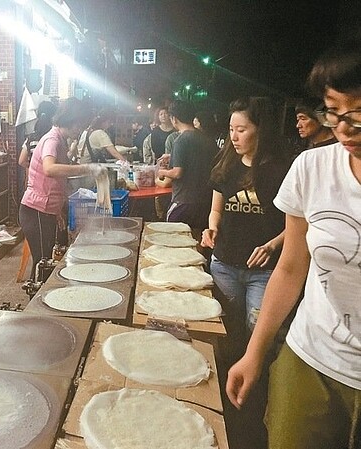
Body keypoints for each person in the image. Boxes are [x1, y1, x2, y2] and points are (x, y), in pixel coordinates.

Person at [226, 38, 361, 449]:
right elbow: (290, 266)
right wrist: (254, 352)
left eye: (356, 113)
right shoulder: (313, 167)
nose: (343, 128)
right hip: (311, 358)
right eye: (333, 112)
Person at [201, 97, 290, 354]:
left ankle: (257, 382)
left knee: (258, 328)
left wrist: (272, 245)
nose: (234, 137)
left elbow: (296, 226)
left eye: (241, 130)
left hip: (263, 271)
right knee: (227, 326)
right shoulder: (226, 165)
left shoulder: (282, 171)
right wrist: (212, 228)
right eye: (231, 130)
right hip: (224, 264)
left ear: (260, 130)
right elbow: (216, 208)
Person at [20, 98, 103, 280]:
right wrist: (88, 168)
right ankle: (36, 302)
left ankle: (40, 297)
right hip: (36, 211)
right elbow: (49, 169)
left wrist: (58, 211)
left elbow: (55, 183)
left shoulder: (60, 139)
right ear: (71, 121)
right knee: (43, 262)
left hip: (46, 210)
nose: (80, 130)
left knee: (46, 259)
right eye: (80, 125)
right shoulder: (52, 140)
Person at [157, 100, 218, 231]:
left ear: (174, 119)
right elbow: (198, 158)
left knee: (174, 242)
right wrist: (172, 156)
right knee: (197, 243)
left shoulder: (181, 140)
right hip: (206, 202)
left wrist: (162, 172)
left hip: (183, 203)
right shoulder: (207, 139)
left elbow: (177, 172)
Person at [18, 100, 57, 169]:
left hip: (33, 177)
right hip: (50, 177)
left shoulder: (31, 138)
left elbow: (21, 161)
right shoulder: (54, 138)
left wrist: (34, 167)